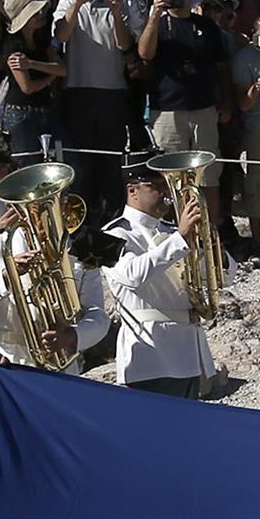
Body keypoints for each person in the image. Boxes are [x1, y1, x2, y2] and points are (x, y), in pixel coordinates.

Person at [104, 154, 214, 398]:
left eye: (167, 184)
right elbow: (132, 275)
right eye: (157, 186)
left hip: (188, 352)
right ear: (133, 190)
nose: (166, 192)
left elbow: (223, 276)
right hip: (149, 355)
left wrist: (210, 242)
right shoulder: (114, 234)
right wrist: (180, 240)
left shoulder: (173, 231)